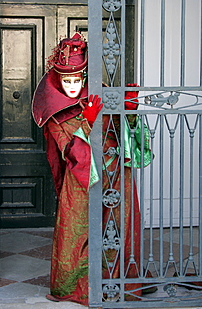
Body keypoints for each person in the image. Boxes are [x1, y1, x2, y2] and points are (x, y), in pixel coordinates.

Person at [32, 33, 152, 306]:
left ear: (85, 77)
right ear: (58, 79)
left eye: (78, 80)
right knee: (79, 231)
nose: (73, 86)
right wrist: (87, 122)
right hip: (80, 181)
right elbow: (69, 151)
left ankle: (121, 282)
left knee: (118, 227)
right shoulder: (53, 114)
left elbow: (122, 135)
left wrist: (129, 110)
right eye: (67, 80)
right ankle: (79, 286)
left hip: (116, 175)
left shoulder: (102, 97)